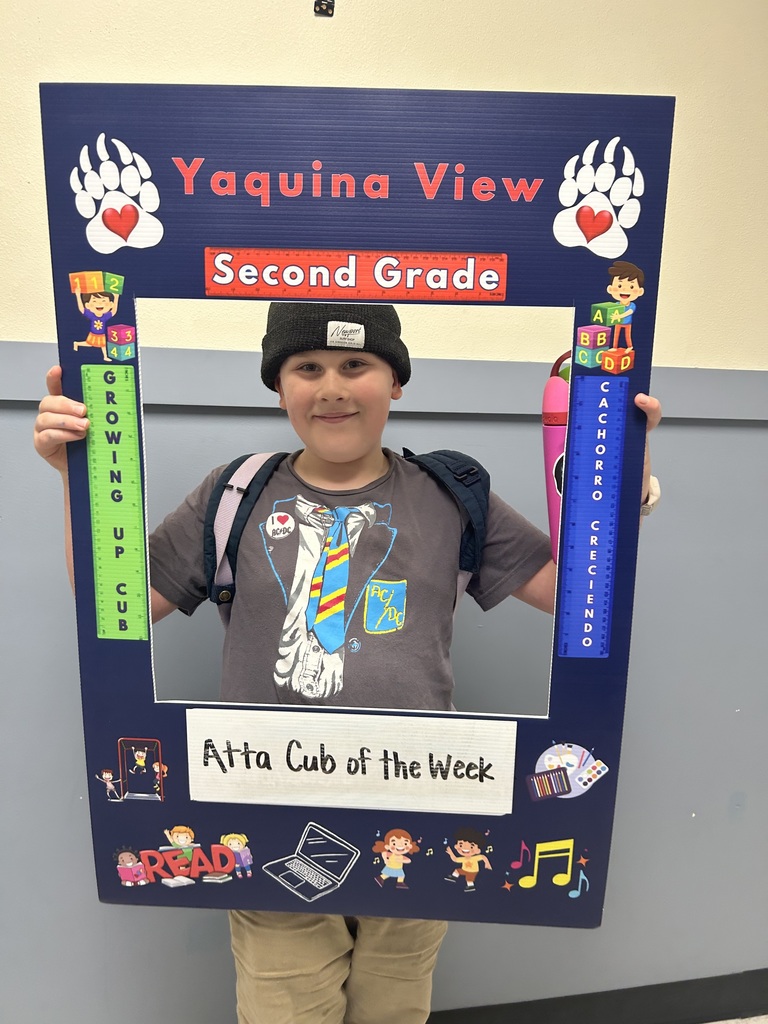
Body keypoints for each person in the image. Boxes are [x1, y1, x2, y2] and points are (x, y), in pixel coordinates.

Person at [33, 301, 661, 1024]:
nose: (331, 387)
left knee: (395, 1008)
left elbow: (576, 595)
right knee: (285, 1010)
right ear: (280, 388)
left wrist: (619, 491)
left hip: (415, 822)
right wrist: (72, 480)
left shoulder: (452, 495)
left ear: (395, 381)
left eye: (356, 364)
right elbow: (119, 606)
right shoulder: (233, 496)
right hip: (270, 821)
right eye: (307, 368)